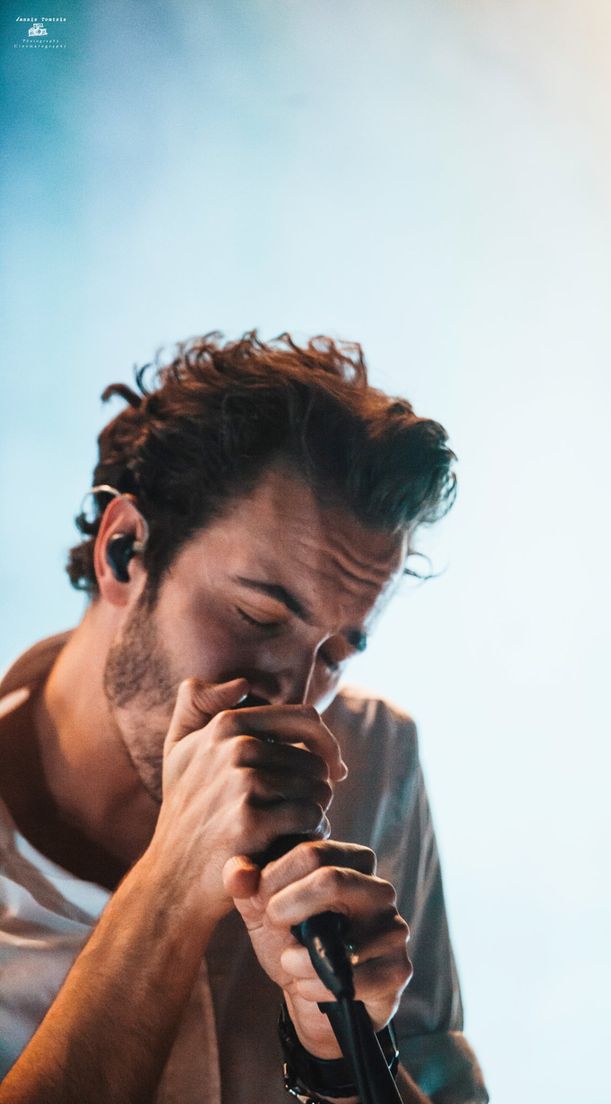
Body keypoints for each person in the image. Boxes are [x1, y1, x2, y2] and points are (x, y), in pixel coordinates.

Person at [0, 332, 487, 1103]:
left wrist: (341, 1057)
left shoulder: (374, 761)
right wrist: (169, 884)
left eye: (335, 654)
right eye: (259, 617)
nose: (293, 696)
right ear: (124, 551)